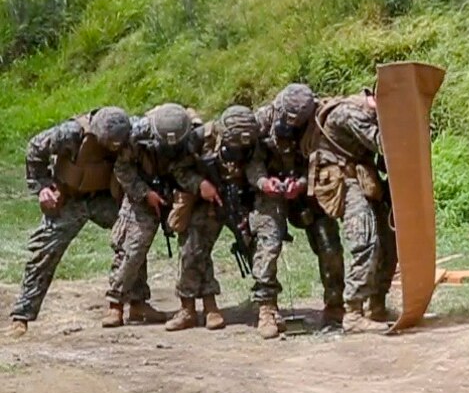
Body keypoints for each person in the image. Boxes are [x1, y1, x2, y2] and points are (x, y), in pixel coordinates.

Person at [8, 107, 141, 337]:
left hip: (103, 198)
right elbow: (34, 148)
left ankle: (138, 301)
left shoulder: (129, 130)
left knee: (134, 235)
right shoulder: (70, 133)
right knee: (44, 252)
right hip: (69, 198)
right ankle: (22, 315)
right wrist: (42, 188)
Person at [251, 84, 346, 339]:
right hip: (269, 191)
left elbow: (327, 160)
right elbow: (250, 161)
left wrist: (303, 183)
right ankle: (267, 307)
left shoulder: (320, 123)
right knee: (268, 242)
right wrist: (264, 182)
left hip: (308, 189)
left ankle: (335, 306)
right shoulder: (262, 120)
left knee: (330, 245)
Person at [104, 103, 210, 328]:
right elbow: (122, 169)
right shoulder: (136, 135)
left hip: (179, 191)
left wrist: (195, 185)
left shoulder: (193, 136)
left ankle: (195, 304)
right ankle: (117, 305)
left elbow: (190, 169)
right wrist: (144, 193)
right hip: (142, 190)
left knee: (193, 243)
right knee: (132, 247)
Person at [163, 106, 267, 331]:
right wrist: (200, 185)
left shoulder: (253, 141)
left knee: (258, 246)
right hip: (206, 199)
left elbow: (256, 167)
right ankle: (192, 308)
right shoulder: (200, 139)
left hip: (239, 199)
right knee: (192, 249)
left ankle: (267, 305)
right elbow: (179, 170)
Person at [303, 87, 397, 333]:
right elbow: (385, 145)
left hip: (357, 172)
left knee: (388, 237)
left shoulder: (368, 111)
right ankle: (353, 312)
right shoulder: (351, 113)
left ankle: (376, 304)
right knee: (364, 236)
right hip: (340, 178)